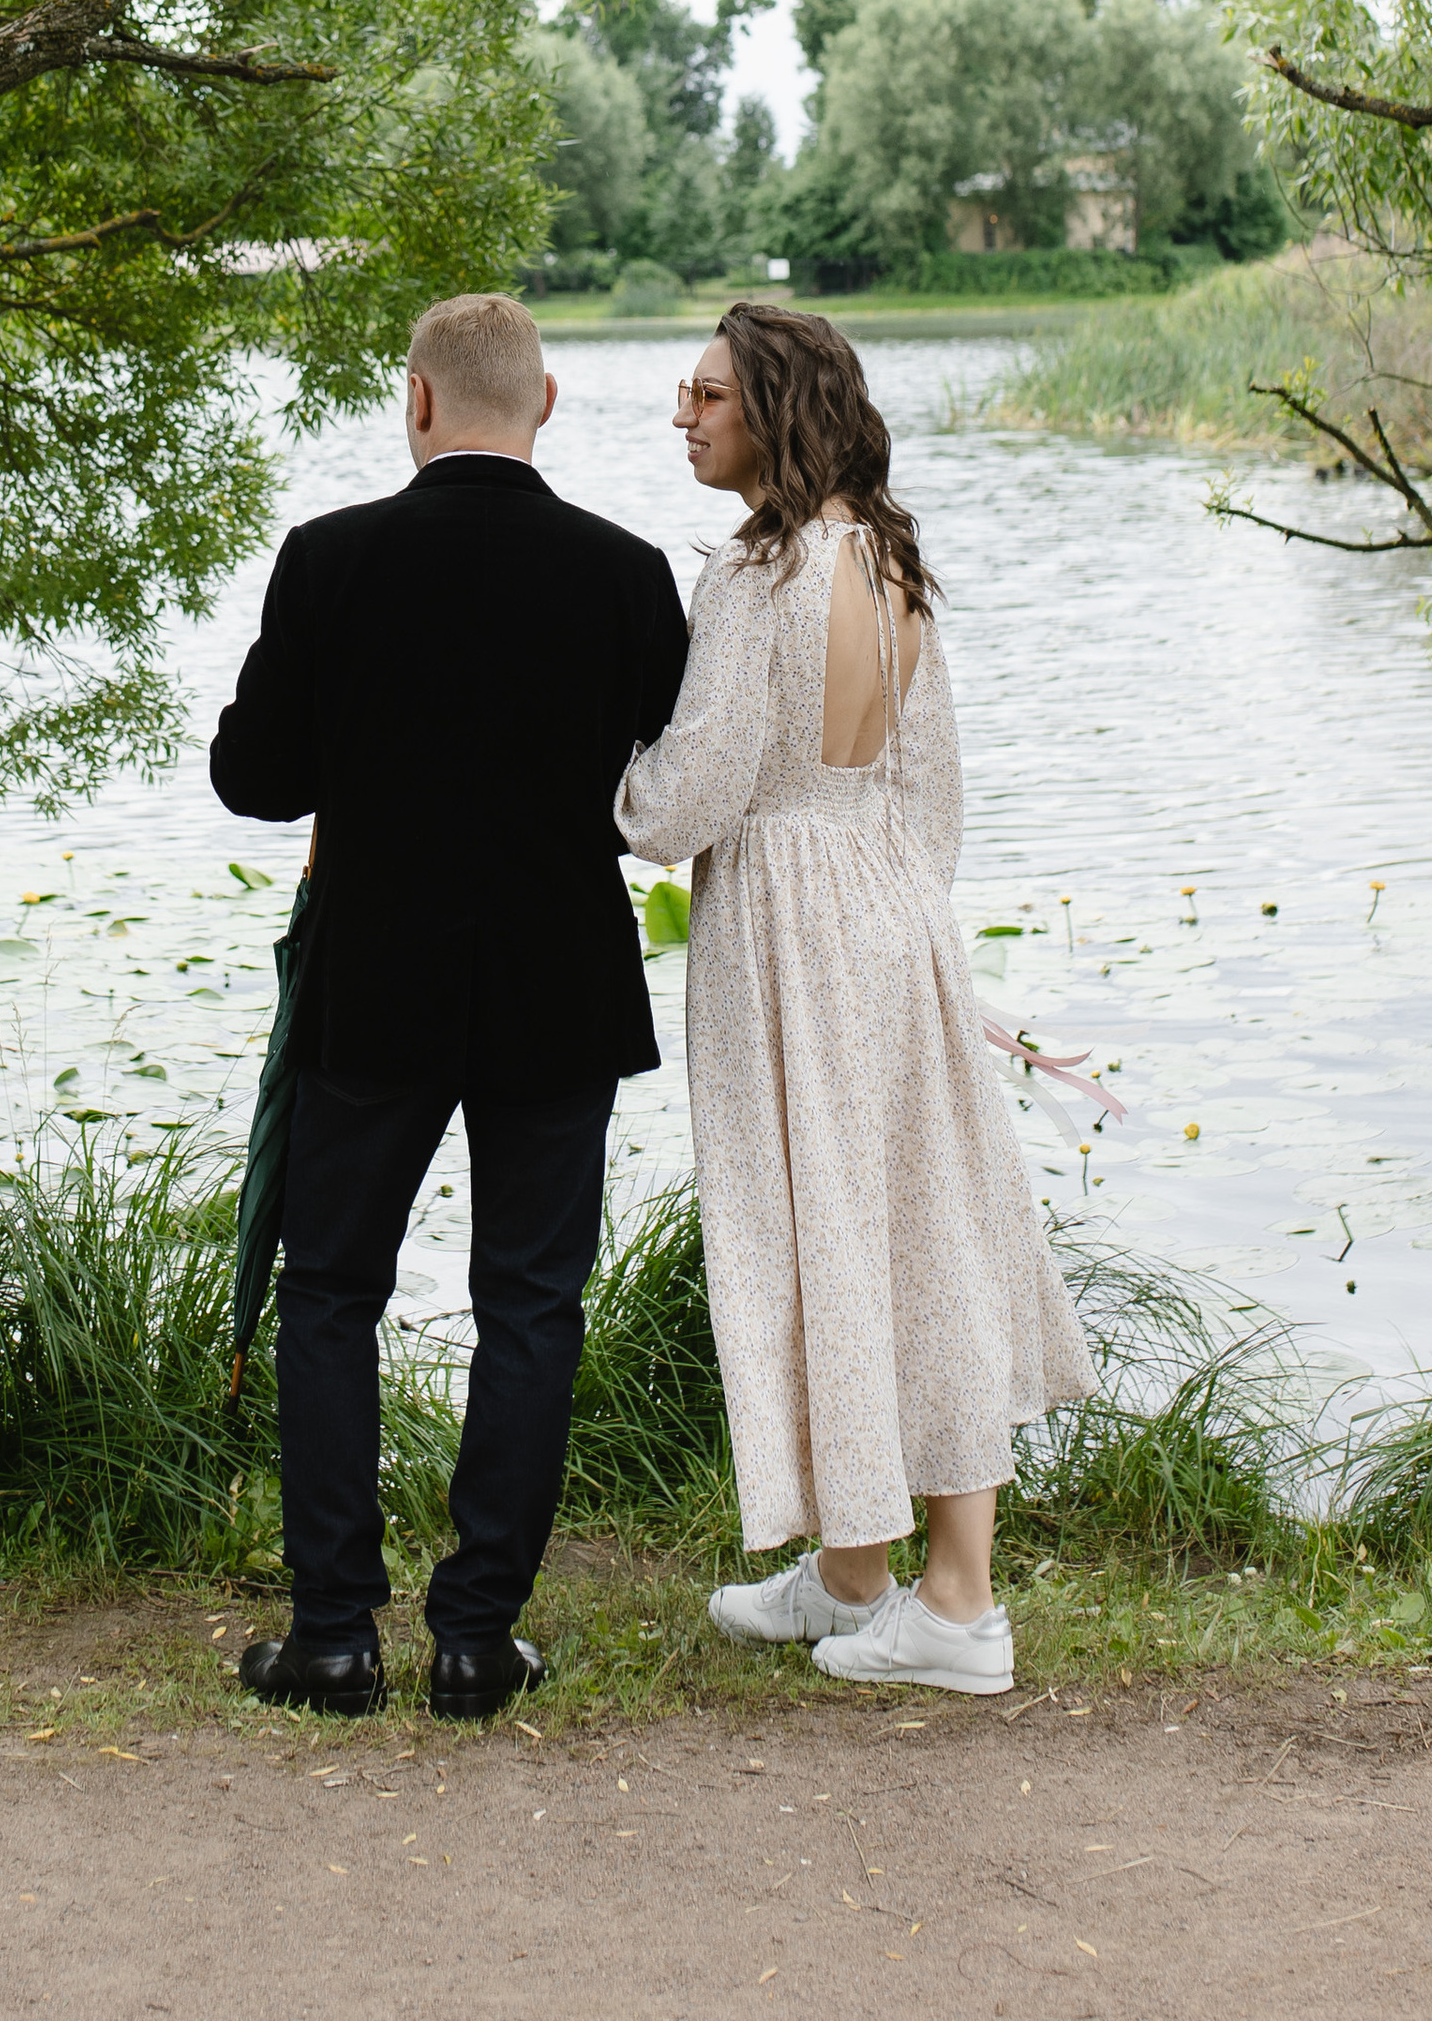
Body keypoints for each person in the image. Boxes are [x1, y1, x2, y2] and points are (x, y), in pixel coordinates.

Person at [211, 292, 690, 1719]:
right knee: (533, 1304)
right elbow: (670, 773)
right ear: (543, 407)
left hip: (380, 987)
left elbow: (257, 778)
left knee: (333, 1295)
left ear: (415, 402)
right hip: (559, 987)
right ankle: (477, 1640)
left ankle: (335, 1637)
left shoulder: (328, 559)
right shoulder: (624, 571)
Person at [615, 299, 1093, 1692]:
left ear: (772, 411)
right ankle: (854, 1575)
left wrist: (610, 795)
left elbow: (687, 797)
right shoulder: (887, 559)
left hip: (792, 930)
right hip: (893, 911)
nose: (683, 417)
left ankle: (956, 1610)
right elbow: (930, 795)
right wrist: (895, 912)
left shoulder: (752, 582)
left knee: (841, 1228)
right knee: (907, 1225)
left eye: (706, 395)